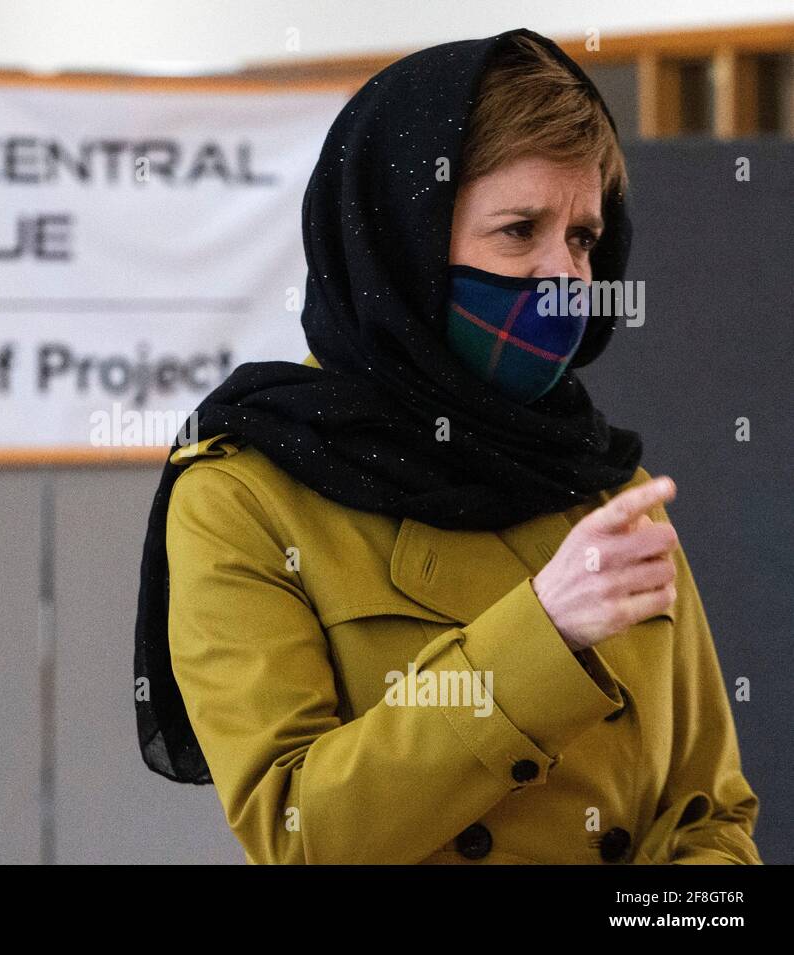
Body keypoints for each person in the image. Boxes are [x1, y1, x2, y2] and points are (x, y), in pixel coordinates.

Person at [131, 28, 761, 864]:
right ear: (404, 242)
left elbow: (711, 818)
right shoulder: (246, 493)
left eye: (580, 237)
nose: (563, 276)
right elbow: (301, 830)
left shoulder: (609, 492)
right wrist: (542, 636)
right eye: (518, 229)